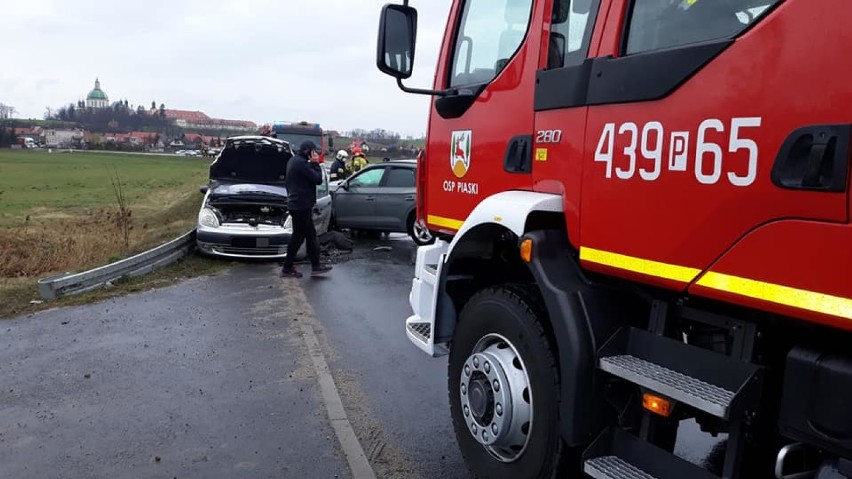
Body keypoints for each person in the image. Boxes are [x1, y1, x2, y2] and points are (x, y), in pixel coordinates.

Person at [280, 140, 333, 278]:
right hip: (300, 205)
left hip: (298, 204)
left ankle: (316, 265)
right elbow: (318, 179)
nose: (315, 154)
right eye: (313, 151)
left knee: (310, 235)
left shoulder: (293, 161)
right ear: (307, 151)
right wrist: (316, 164)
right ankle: (287, 267)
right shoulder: (302, 164)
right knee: (298, 236)